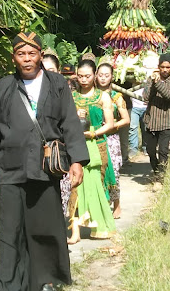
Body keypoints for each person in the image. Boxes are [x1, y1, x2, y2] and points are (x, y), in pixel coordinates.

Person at [0, 31, 89, 291]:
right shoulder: (4, 86)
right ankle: (9, 284)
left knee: (45, 226)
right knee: (9, 230)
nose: (26, 59)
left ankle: (44, 280)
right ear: (13, 57)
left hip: (45, 168)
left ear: (40, 55)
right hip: (9, 168)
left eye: (32, 53)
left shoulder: (57, 83)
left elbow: (70, 123)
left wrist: (77, 161)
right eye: (21, 54)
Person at [67, 60, 116, 244]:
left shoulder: (103, 96)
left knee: (97, 185)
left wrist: (93, 132)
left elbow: (110, 124)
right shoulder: (71, 96)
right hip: (75, 147)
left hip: (97, 145)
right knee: (74, 187)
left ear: (94, 75)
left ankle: (100, 225)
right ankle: (75, 232)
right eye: (80, 76)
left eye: (87, 76)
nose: (84, 79)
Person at [96, 62, 130, 219]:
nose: (103, 78)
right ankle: (99, 204)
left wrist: (112, 124)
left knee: (113, 171)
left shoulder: (117, 97)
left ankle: (117, 204)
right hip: (94, 137)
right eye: (100, 75)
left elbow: (126, 119)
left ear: (111, 77)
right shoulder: (91, 95)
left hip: (111, 139)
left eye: (106, 75)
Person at [142, 54, 170, 178]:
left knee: (163, 151)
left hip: (166, 122)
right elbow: (146, 97)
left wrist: (158, 83)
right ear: (158, 67)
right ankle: (156, 171)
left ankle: (161, 177)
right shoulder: (150, 80)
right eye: (162, 67)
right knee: (151, 151)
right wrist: (153, 83)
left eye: (167, 67)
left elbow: (169, 95)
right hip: (151, 121)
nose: (164, 70)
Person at [128, 87, 147, 160]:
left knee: (145, 128)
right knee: (132, 128)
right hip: (134, 107)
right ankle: (133, 149)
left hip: (146, 107)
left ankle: (145, 147)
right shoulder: (131, 77)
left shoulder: (150, 76)